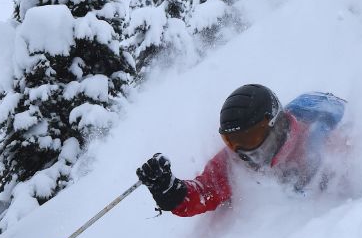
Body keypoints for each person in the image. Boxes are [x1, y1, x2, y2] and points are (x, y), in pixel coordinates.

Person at [136, 84, 348, 217]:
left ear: (275, 125)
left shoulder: (317, 139)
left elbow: (361, 168)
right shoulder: (235, 163)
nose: (242, 151)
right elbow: (204, 191)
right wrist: (173, 193)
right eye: (231, 140)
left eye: (249, 137)